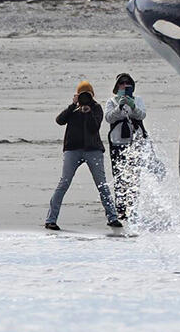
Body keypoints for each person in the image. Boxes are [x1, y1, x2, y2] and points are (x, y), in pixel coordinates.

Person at [45, 80, 122, 230]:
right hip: (72, 150)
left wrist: (88, 112)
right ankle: (50, 219)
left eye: (88, 95)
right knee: (64, 183)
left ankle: (112, 218)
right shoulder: (73, 109)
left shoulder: (97, 108)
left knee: (102, 185)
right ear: (77, 96)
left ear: (92, 96)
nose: (85, 98)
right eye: (82, 95)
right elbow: (59, 121)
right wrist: (73, 106)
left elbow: (95, 128)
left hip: (93, 150)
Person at [104, 72, 147, 221]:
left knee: (134, 175)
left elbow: (142, 115)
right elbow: (108, 117)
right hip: (117, 141)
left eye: (127, 83)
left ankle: (133, 207)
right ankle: (121, 209)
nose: (125, 85)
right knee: (119, 175)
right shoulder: (112, 101)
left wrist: (132, 106)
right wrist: (120, 106)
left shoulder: (138, 100)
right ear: (117, 86)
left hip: (135, 141)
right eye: (122, 83)